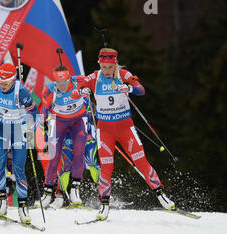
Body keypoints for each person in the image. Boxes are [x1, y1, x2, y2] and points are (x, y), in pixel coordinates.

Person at [72, 47, 175, 220]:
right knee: (106, 167)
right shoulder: (94, 77)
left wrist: (129, 89)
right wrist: (83, 91)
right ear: (100, 64)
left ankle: (161, 195)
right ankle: (104, 204)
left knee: (141, 161)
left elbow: (141, 89)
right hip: (105, 131)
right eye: (103, 67)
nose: (106, 71)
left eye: (110, 67)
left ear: (115, 65)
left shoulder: (123, 74)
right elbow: (75, 90)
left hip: (125, 128)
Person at [0, 63, 39, 223]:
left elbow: (35, 113)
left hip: (18, 130)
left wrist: (31, 129)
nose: (2, 85)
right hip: (0, 127)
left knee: (18, 167)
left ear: (13, 80)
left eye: (6, 82)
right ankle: (1, 203)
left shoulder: (21, 92)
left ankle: (23, 207)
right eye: (0, 81)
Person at [40, 67, 90, 209]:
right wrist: (44, 136)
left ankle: (75, 188)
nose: (62, 86)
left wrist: (88, 91)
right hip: (59, 124)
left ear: (70, 79)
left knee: (79, 153)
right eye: (58, 83)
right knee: (54, 158)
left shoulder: (79, 81)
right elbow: (43, 114)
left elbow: (95, 80)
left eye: (64, 83)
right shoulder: (49, 90)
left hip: (77, 123)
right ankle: (47, 193)